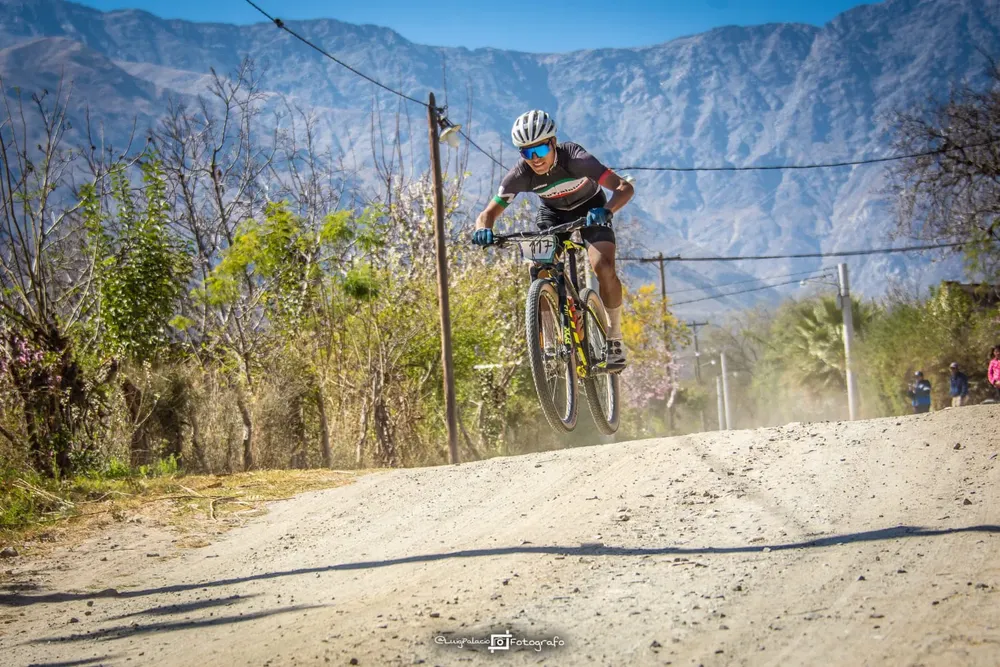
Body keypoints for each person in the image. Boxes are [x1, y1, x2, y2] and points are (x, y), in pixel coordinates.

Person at [471, 110, 635, 372]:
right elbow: (487, 213)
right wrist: (483, 229)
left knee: (603, 266)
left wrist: (607, 211)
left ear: (553, 142)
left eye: (539, 150)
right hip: (553, 215)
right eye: (527, 152)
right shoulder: (520, 175)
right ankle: (549, 339)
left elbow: (624, 188)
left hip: (591, 209)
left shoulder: (578, 159)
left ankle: (614, 338)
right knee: (538, 267)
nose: (534, 159)